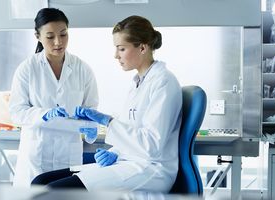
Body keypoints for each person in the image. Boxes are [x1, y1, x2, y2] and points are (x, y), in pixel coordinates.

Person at [32, 15, 182, 193]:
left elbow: (151, 146)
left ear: (142, 47)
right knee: (40, 181)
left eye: (121, 49)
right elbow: (132, 133)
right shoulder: (138, 83)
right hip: (129, 161)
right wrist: (115, 152)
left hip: (151, 169)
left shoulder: (163, 82)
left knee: (53, 191)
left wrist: (107, 121)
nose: (116, 55)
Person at [9, 8, 99, 187]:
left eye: (63, 34)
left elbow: (92, 111)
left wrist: (91, 128)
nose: (58, 42)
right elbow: (16, 112)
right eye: (50, 36)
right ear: (38, 36)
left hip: (69, 155)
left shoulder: (83, 69)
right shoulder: (27, 69)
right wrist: (44, 114)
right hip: (36, 155)